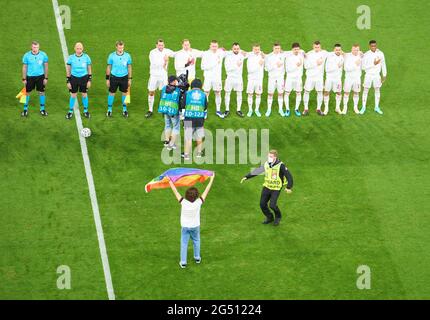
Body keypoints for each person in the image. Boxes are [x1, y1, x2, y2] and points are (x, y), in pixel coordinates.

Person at [167, 173, 215, 269]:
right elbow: (207, 190)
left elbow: (175, 191)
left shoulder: (183, 202)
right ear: (197, 195)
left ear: (186, 195)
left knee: (184, 243)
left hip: (185, 227)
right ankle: (197, 258)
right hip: (195, 226)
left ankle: (183, 262)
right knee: (196, 241)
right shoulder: (199, 202)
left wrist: (169, 180)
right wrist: (211, 179)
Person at [241, 150, 293, 226]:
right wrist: (246, 177)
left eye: (271, 156)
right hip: (267, 186)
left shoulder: (281, 166)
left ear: (275, 157)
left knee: (272, 205)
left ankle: (278, 217)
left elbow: (289, 176)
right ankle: (270, 217)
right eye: (268, 156)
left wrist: (288, 187)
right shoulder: (266, 164)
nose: (269, 158)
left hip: (276, 188)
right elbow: (258, 171)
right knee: (262, 204)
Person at [146, 39, 175, 118]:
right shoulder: (152, 52)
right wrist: (165, 61)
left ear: (164, 45)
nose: (161, 47)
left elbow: (175, 54)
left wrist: (187, 51)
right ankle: (150, 110)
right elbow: (154, 63)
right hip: (154, 75)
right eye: (159, 45)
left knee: (165, 92)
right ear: (156, 45)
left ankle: (164, 108)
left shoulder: (167, 51)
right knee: (151, 91)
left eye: (162, 45)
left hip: (163, 76)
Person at [181, 79, 208, 161]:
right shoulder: (203, 95)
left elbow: (182, 105)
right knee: (199, 136)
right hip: (199, 118)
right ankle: (199, 153)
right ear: (201, 86)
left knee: (188, 137)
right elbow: (205, 106)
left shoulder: (187, 93)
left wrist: (182, 117)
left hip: (188, 118)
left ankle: (186, 155)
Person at [21, 41, 49, 117]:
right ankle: (25, 109)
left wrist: (46, 78)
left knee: (42, 92)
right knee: (27, 93)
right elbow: (24, 67)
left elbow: (46, 66)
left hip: (40, 77)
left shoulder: (43, 55)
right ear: (31, 47)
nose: (35, 49)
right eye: (33, 47)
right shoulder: (26, 55)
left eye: (36, 47)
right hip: (30, 77)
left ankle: (42, 109)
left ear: (39, 47)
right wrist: (24, 78)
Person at [65, 42, 92, 119]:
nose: (79, 50)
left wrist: (89, 80)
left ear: (82, 48)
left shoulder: (86, 57)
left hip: (84, 78)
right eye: (77, 48)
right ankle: (70, 111)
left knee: (84, 94)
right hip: (74, 78)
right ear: (74, 49)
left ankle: (86, 111)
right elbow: (68, 70)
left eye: (80, 48)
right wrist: (68, 81)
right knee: (73, 95)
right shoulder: (71, 58)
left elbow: (89, 69)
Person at [106, 40, 132, 118]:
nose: (121, 49)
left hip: (124, 77)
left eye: (122, 48)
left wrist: (130, 78)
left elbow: (129, 67)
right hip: (114, 77)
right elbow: (109, 67)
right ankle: (109, 109)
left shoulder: (127, 56)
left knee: (125, 93)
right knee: (111, 93)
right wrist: (107, 79)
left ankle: (124, 109)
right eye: (119, 48)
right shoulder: (111, 55)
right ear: (116, 47)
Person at [201, 40, 226, 118]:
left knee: (218, 93)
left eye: (216, 46)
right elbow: (202, 67)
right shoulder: (206, 54)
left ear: (218, 46)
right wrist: (214, 63)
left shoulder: (221, 53)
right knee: (206, 93)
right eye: (213, 46)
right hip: (208, 78)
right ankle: (204, 111)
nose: (214, 48)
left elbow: (232, 52)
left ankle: (218, 111)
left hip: (217, 78)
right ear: (210, 46)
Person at [361, 40, 387, 115]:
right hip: (368, 75)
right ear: (369, 46)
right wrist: (373, 64)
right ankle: (363, 107)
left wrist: (384, 75)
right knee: (365, 90)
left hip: (377, 75)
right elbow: (363, 67)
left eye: (375, 46)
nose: (373, 47)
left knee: (377, 90)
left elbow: (383, 64)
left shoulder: (381, 53)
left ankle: (376, 107)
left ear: (376, 45)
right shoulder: (366, 54)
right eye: (372, 46)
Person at [303, 41, 328, 116]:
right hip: (310, 77)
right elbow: (306, 66)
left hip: (319, 77)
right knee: (307, 91)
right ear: (313, 47)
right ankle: (306, 109)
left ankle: (318, 109)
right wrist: (316, 63)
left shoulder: (324, 53)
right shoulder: (309, 54)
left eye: (318, 47)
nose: (317, 48)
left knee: (320, 92)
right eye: (315, 47)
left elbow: (335, 53)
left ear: (320, 47)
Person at [158, 75, 181, 150]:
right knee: (176, 127)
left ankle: (167, 141)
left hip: (165, 109)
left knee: (167, 125)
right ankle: (171, 145)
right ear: (174, 81)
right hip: (173, 111)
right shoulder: (178, 90)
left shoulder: (164, 88)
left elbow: (161, 97)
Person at [223, 42, 247, 117]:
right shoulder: (228, 56)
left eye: (238, 49)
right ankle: (227, 110)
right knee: (227, 93)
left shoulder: (241, 55)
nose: (236, 50)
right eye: (235, 49)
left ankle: (238, 110)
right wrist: (236, 65)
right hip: (230, 78)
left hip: (239, 78)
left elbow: (251, 53)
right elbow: (227, 69)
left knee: (239, 93)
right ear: (232, 49)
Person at [265, 43, 286, 117]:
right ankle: (269, 109)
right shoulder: (269, 57)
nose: (277, 50)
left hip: (280, 78)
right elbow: (266, 69)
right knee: (270, 94)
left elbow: (293, 51)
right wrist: (275, 65)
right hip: (272, 78)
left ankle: (280, 109)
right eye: (276, 48)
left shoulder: (283, 55)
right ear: (273, 48)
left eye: (278, 48)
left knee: (280, 93)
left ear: (280, 49)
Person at [284, 42, 304, 117]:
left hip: (298, 78)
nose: (296, 51)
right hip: (290, 78)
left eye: (298, 49)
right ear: (292, 49)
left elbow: (303, 51)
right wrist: (296, 66)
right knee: (287, 93)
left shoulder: (301, 54)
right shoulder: (288, 57)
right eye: (295, 49)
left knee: (298, 93)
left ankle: (296, 109)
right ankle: (287, 109)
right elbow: (288, 70)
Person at [323, 44, 344, 115]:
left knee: (339, 92)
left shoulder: (342, 56)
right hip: (329, 79)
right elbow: (327, 70)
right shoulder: (330, 57)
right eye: (336, 50)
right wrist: (337, 66)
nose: (338, 51)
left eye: (339, 50)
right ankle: (326, 108)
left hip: (338, 79)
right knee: (326, 92)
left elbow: (352, 54)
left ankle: (337, 108)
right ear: (334, 50)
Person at [343, 44, 363, 114]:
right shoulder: (347, 56)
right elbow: (346, 68)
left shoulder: (360, 56)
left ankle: (355, 107)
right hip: (348, 79)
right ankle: (345, 108)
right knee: (346, 93)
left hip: (357, 79)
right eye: (354, 50)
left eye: (357, 50)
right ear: (351, 49)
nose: (356, 51)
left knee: (356, 92)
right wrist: (355, 64)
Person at [246, 44, 265, 117]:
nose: (257, 51)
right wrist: (259, 64)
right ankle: (250, 110)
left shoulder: (262, 56)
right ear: (252, 50)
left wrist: (263, 58)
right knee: (250, 94)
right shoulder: (250, 58)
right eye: (255, 49)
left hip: (259, 80)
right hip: (251, 80)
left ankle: (256, 109)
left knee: (258, 94)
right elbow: (250, 70)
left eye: (258, 49)